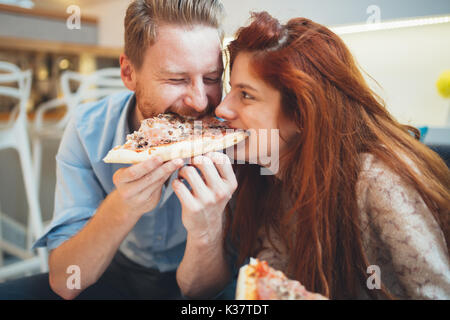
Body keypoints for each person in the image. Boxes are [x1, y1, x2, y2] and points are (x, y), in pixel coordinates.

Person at [175, 12, 450, 299]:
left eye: (246, 95)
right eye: (231, 89)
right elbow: (201, 294)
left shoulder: (379, 182)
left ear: (302, 114)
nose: (221, 109)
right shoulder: (258, 174)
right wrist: (203, 229)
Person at [0, 0, 230, 300]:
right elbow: (67, 282)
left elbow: (204, 292)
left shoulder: (238, 137)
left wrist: (207, 232)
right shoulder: (87, 131)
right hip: (116, 269)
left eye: (212, 79)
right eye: (176, 79)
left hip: (206, 279)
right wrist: (123, 206)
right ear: (127, 73)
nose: (200, 102)